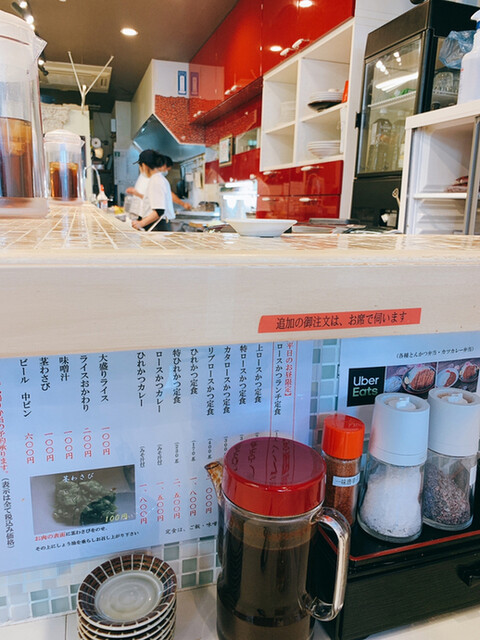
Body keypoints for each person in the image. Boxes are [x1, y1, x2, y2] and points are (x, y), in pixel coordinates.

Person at [131, 150, 168, 231]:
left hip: (156, 228)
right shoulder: (156, 179)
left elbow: (159, 211)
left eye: (140, 166)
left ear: (144, 165)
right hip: (154, 226)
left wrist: (141, 223)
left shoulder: (156, 180)